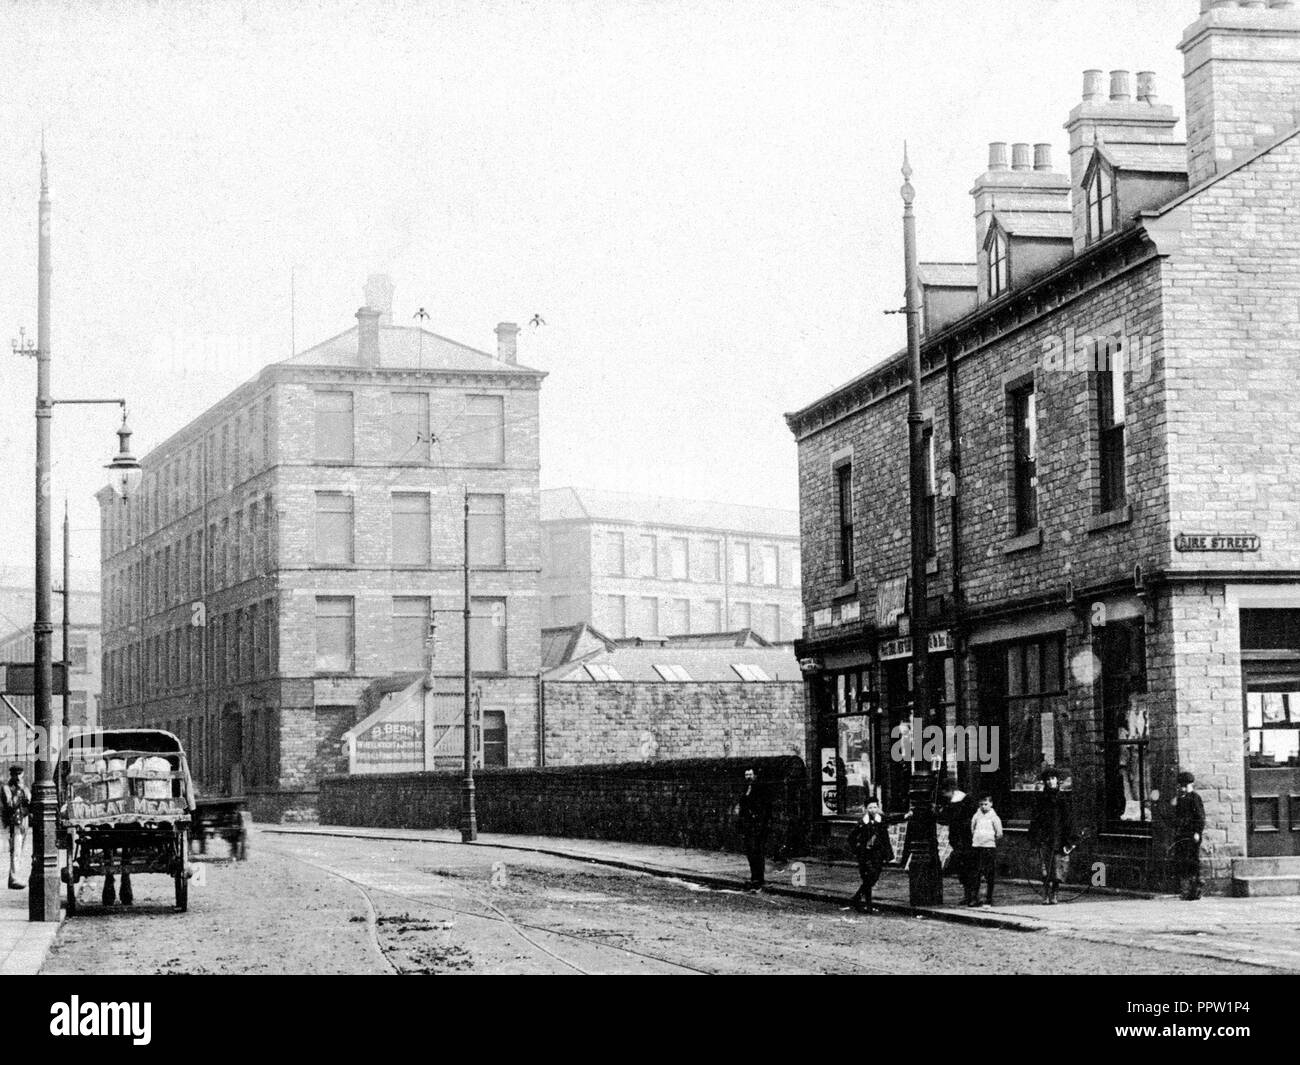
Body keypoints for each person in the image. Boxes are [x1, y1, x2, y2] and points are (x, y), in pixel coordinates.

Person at [1028, 767, 1076, 905]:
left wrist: (1069, 839)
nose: (1050, 782)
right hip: (1044, 837)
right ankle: (1045, 894)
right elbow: (1035, 819)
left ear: (1057, 781)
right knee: (1045, 867)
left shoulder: (1063, 799)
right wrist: (1034, 836)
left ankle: (1054, 893)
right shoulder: (1040, 798)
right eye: (1047, 779)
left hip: (1058, 837)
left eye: (1053, 779)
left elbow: (1068, 820)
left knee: (1057, 867)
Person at [846, 800, 893, 914]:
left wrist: (906, 815)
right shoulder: (862, 822)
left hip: (878, 854)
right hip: (866, 855)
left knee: (873, 878)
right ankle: (868, 905)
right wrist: (857, 850)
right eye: (870, 807)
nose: (873, 809)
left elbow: (893, 819)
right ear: (866, 809)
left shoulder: (881, 820)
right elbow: (851, 837)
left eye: (875, 807)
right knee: (868, 878)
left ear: (878, 808)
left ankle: (857, 898)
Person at [940, 781, 980, 906]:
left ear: (951, 791)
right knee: (963, 869)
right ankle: (968, 895)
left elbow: (948, 818)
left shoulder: (962, 802)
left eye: (945, 793)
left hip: (967, 840)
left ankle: (973, 896)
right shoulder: (959, 802)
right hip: (959, 841)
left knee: (970, 868)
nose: (944, 796)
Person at [1173, 770, 1205, 900]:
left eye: (1185, 786)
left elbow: (1200, 817)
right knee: (1182, 860)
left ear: (1191, 785)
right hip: (1182, 834)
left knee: (1192, 860)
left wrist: (1197, 832)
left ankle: (1194, 890)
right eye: (1181, 786)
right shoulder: (1180, 799)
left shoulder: (1195, 798)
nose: (1183, 789)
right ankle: (1186, 889)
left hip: (1192, 834)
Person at [735, 768, 770, 889]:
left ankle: (759, 878)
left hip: (757, 825)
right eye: (746, 775)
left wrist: (759, 820)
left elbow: (764, 807)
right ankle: (753, 877)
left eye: (750, 774)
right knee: (750, 852)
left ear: (755, 775)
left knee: (757, 852)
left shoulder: (760, 788)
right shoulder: (744, 788)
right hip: (747, 825)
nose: (748, 777)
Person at [1, 766, 31, 890]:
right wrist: (19, 791)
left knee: (20, 850)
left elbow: (29, 799)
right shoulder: (7, 788)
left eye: (20, 774)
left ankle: (14, 877)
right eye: (16, 774)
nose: (18, 777)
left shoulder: (24, 787)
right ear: (12, 775)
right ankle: (14, 878)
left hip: (23, 819)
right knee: (16, 850)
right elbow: (10, 803)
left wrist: (23, 790)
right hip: (14, 821)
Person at [970, 794, 1002, 906]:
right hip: (977, 846)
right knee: (976, 873)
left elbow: (999, 833)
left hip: (989, 847)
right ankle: (975, 897)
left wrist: (990, 840)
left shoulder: (994, 817)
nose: (983, 806)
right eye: (981, 804)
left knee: (989, 873)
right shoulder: (976, 816)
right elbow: (972, 828)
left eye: (986, 804)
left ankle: (989, 897)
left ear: (991, 804)